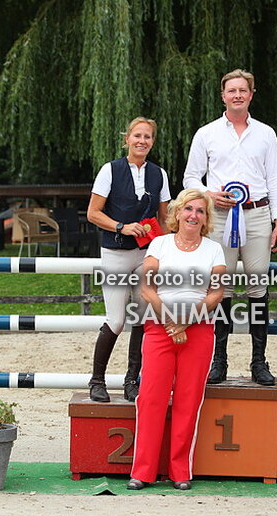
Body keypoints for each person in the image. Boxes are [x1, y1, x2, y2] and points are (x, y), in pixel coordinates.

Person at [183, 68, 277, 386]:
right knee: (221, 288)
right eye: (232, 91)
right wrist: (206, 193)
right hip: (219, 216)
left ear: (251, 94)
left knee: (258, 288)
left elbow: (275, 179)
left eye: (243, 90)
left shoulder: (266, 134)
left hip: (257, 214)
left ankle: (259, 361)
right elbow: (191, 177)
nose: (237, 95)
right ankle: (219, 361)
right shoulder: (207, 133)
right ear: (223, 95)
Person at [127, 189, 226, 491]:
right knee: (151, 399)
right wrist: (171, 319)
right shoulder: (160, 243)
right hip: (159, 329)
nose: (193, 215)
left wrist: (186, 320)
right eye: (188, 209)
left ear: (206, 218)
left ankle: (180, 470)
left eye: (200, 211)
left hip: (198, 330)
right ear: (178, 213)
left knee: (188, 400)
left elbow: (216, 293)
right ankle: (142, 471)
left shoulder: (214, 250)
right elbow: (147, 288)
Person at [86, 117, 171, 403]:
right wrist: (121, 226)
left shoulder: (159, 174)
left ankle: (132, 380)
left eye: (147, 137)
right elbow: (93, 213)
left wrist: (170, 250)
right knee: (117, 319)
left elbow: (165, 218)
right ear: (127, 139)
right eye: (137, 136)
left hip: (146, 253)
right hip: (116, 252)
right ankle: (97, 381)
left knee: (143, 317)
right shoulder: (110, 170)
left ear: (152, 142)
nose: (142, 141)